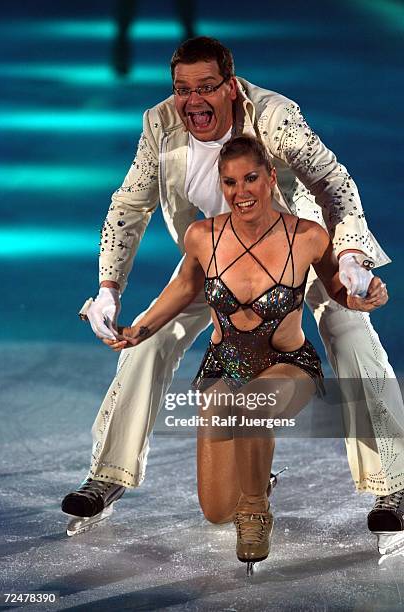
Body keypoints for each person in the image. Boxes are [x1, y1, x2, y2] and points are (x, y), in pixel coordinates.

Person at [62, 37, 404, 556]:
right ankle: (107, 474)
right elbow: (129, 206)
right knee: (148, 344)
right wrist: (108, 288)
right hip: (217, 257)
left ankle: (394, 483)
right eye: (182, 89)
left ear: (231, 85)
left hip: (297, 248)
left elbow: (333, 182)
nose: (193, 101)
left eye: (206, 87)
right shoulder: (160, 124)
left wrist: (352, 255)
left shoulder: (275, 117)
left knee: (349, 332)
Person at [105, 135, 387, 568]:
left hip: (286, 365)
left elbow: (337, 290)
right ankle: (257, 484)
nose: (241, 192)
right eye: (230, 182)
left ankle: (256, 510)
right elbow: (183, 288)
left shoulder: (308, 237)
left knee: (253, 407)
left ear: (271, 178)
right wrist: (137, 330)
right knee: (217, 510)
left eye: (251, 178)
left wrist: (363, 296)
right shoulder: (203, 237)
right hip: (224, 370)